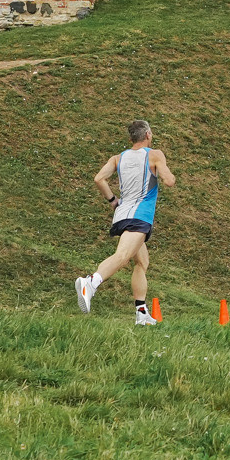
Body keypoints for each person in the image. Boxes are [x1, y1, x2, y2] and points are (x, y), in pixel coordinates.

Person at [76, 120, 176, 325]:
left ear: (131, 138)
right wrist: (167, 174)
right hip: (140, 217)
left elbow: (98, 179)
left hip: (122, 215)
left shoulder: (118, 158)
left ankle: (141, 313)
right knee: (122, 256)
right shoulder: (155, 154)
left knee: (142, 262)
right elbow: (169, 181)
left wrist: (113, 200)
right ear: (148, 134)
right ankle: (90, 283)